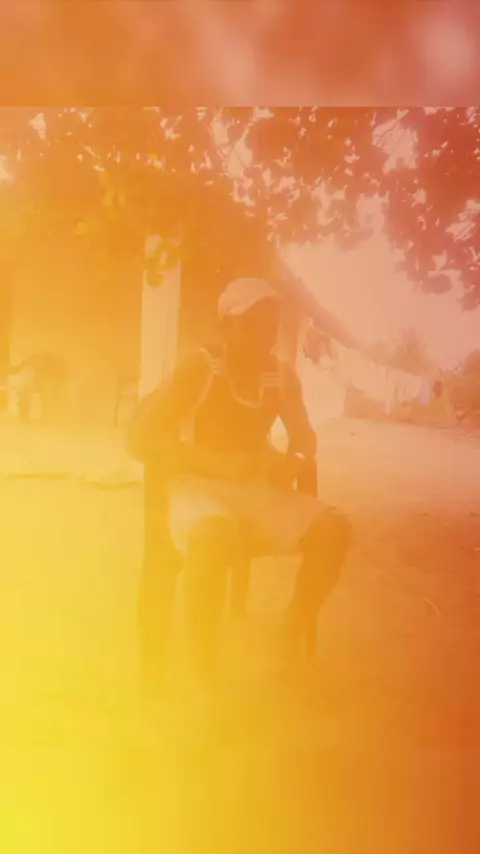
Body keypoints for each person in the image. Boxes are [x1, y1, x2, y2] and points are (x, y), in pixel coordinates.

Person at [128, 277, 352, 702]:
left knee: (334, 529)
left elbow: (305, 440)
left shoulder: (280, 376)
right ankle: (204, 668)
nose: (263, 335)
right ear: (226, 327)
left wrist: (289, 459)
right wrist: (217, 464)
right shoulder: (201, 368)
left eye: (270, 324)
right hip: (192, 485)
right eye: (251, 324)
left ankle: (289, 636)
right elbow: (141, 439)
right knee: (215, 535)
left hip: (251, 487)